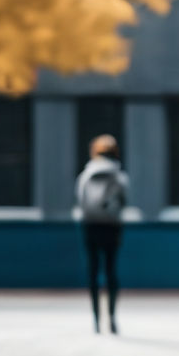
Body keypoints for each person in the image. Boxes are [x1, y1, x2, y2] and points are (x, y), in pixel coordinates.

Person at [75, 134, 129, 335]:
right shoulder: (119, 176)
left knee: (93, 271)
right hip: (112, 226)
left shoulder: (86, 174)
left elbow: (80, 200)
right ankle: (112, 318)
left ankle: (96, 320)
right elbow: (124, 200)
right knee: (111, 270)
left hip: (90, 226)